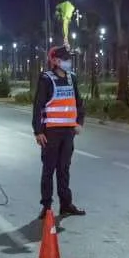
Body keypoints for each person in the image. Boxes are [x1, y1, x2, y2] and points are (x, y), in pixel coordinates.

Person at [32, 44, 86, 220]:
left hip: (68, 132)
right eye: (65, 59)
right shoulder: (46, 79)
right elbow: (38, 106)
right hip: (51, 133)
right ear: (55, 61)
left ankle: (66, 204)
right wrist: (38, 131)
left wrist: (79, 122)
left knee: (64, 168)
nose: (68, 62)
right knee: (49, 170)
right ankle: (46, 207)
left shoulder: (72, 78)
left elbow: (79, 103)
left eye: (69, 58)